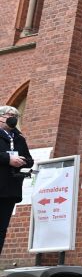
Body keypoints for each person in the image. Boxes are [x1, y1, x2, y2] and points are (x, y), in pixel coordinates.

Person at [0, 106, 34, 256]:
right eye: (10, 114)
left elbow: (29, 160)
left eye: (16, 115)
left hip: (9, 189)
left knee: (1, 228)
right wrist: (8, 159)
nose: (13, 117)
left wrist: (22, 162)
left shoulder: (19, 138)